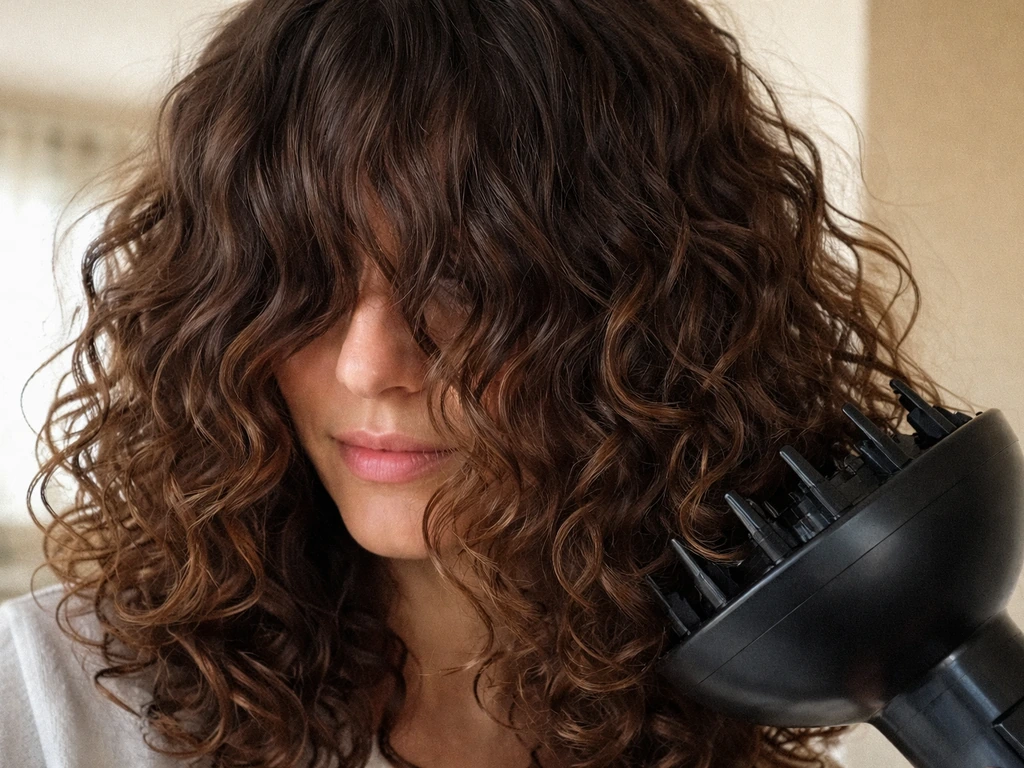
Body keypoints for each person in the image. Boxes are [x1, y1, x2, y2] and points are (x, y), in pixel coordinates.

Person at [0, 0, 961, 766]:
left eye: (462, 285)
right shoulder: (51, 708)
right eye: (305, 281)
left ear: (647, 327)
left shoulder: (732, 740)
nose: (370, 365)